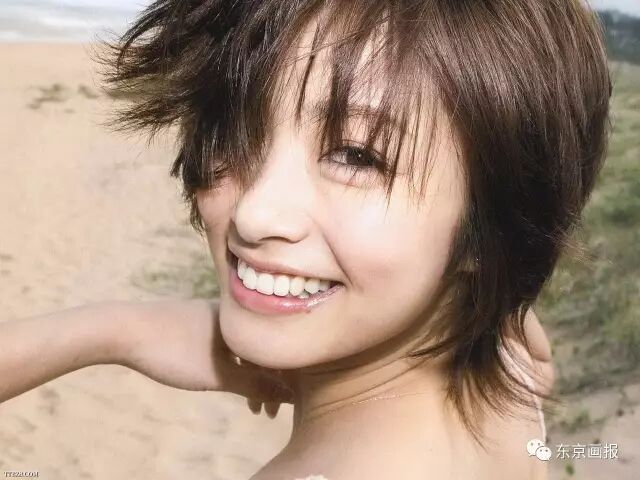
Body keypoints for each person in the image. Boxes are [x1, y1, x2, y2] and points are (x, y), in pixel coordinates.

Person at [5, 0, 611, 478]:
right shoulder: (513, 362)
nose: (254, 212)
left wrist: (95, 334)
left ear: (491, 226)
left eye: (356, 155)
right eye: (238, 130)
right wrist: (118, 331)